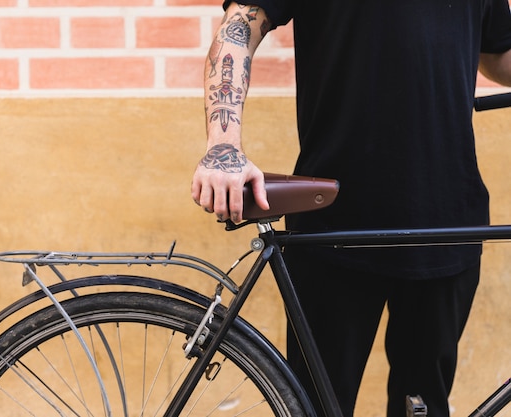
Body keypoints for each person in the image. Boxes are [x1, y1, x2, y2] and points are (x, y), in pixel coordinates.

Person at [191, 1, 511, 416]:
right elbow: (240, 25)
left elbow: (498, 53)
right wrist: (223, 146)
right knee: (314, 406)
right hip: (334, 227)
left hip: (447, 222)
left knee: (425, 406)